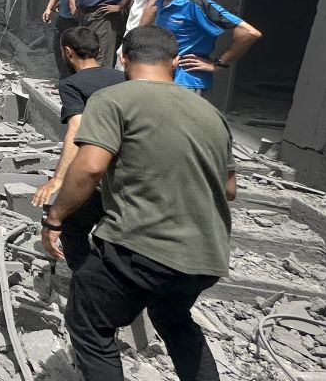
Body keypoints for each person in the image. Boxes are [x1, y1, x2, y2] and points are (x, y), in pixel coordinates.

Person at [43, 26, 235, 380]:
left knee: (89, 325)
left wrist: (55, 218)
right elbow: (229, 189)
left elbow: (89, 169)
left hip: (140, 248)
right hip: (206, 258)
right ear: (175, 62)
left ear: (123, 58)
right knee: (174, 319)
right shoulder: (212, 115)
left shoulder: (114, 99)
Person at [31, 26, 126, 271]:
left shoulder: (71, 84)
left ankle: (85, 279)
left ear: (67, 51)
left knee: (71, 227)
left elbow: (76, 128)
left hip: (98, 169)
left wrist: (58, 178)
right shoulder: (122, 78)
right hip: (129, 169)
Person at [141, 0, 261, 94]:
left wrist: (219, 64)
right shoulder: (161, 2)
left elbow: (249, 33)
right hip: (162, 77)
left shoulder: (196, 3)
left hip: (185, 83)